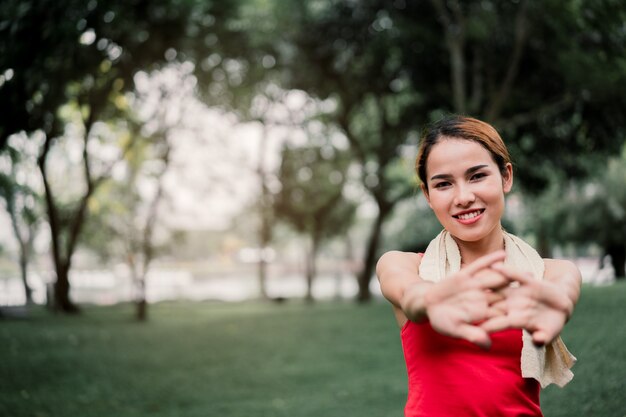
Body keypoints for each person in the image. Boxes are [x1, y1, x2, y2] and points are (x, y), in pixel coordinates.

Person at [376, 115, 581, 417]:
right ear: (427, 195)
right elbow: (409, 292)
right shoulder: (404, 266)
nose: (464, 197)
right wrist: (428, 298)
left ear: (506, 177)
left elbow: (564, 289)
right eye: (443, 184)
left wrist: (559, 302)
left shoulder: (550, 274)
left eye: (477, 176)